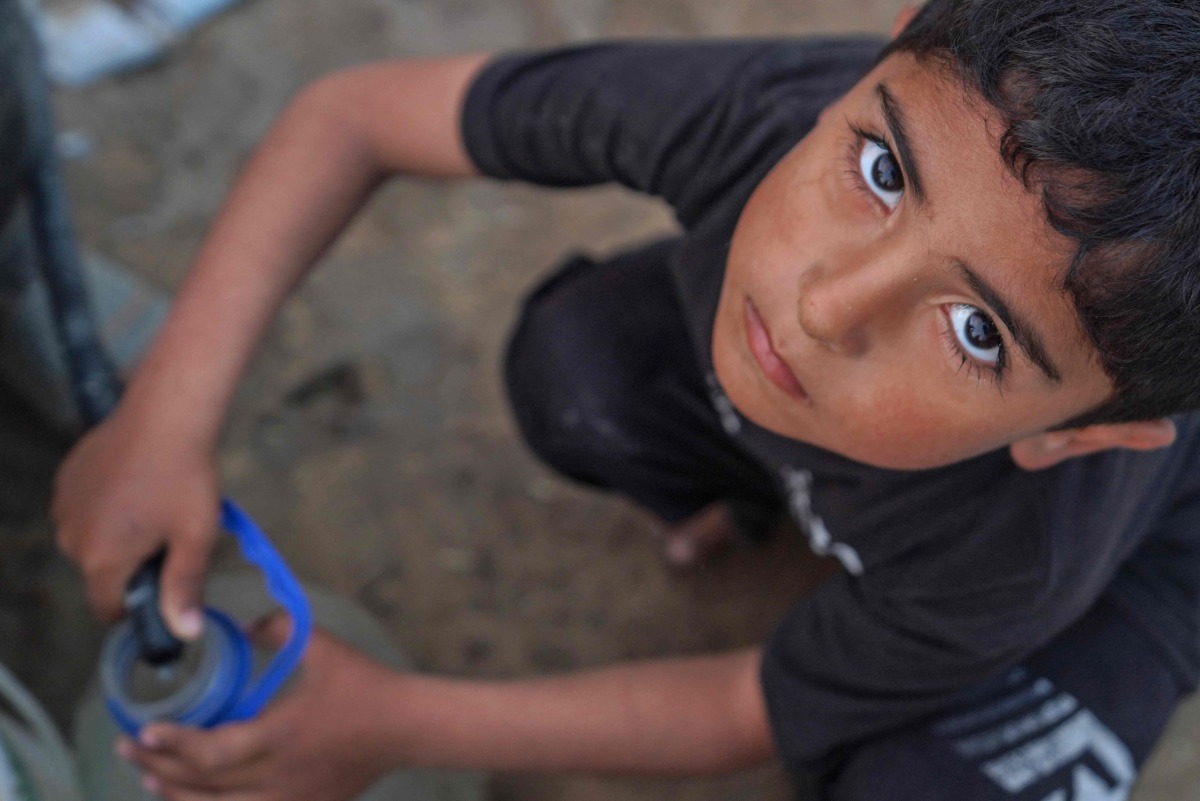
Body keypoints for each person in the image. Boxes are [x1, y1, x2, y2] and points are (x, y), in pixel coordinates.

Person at [49, 0, 1200, 798]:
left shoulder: (1021, 558)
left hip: (1144, 568)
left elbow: (750, 706)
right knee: (576, 370)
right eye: (884, 172)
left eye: (975, 330)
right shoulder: (764, 108)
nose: (824, 308)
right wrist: (164, 417)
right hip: (894, 472)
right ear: (884, 51)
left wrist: (391, 722)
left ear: (1080, 428)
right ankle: (758, 497)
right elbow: (352, 118)